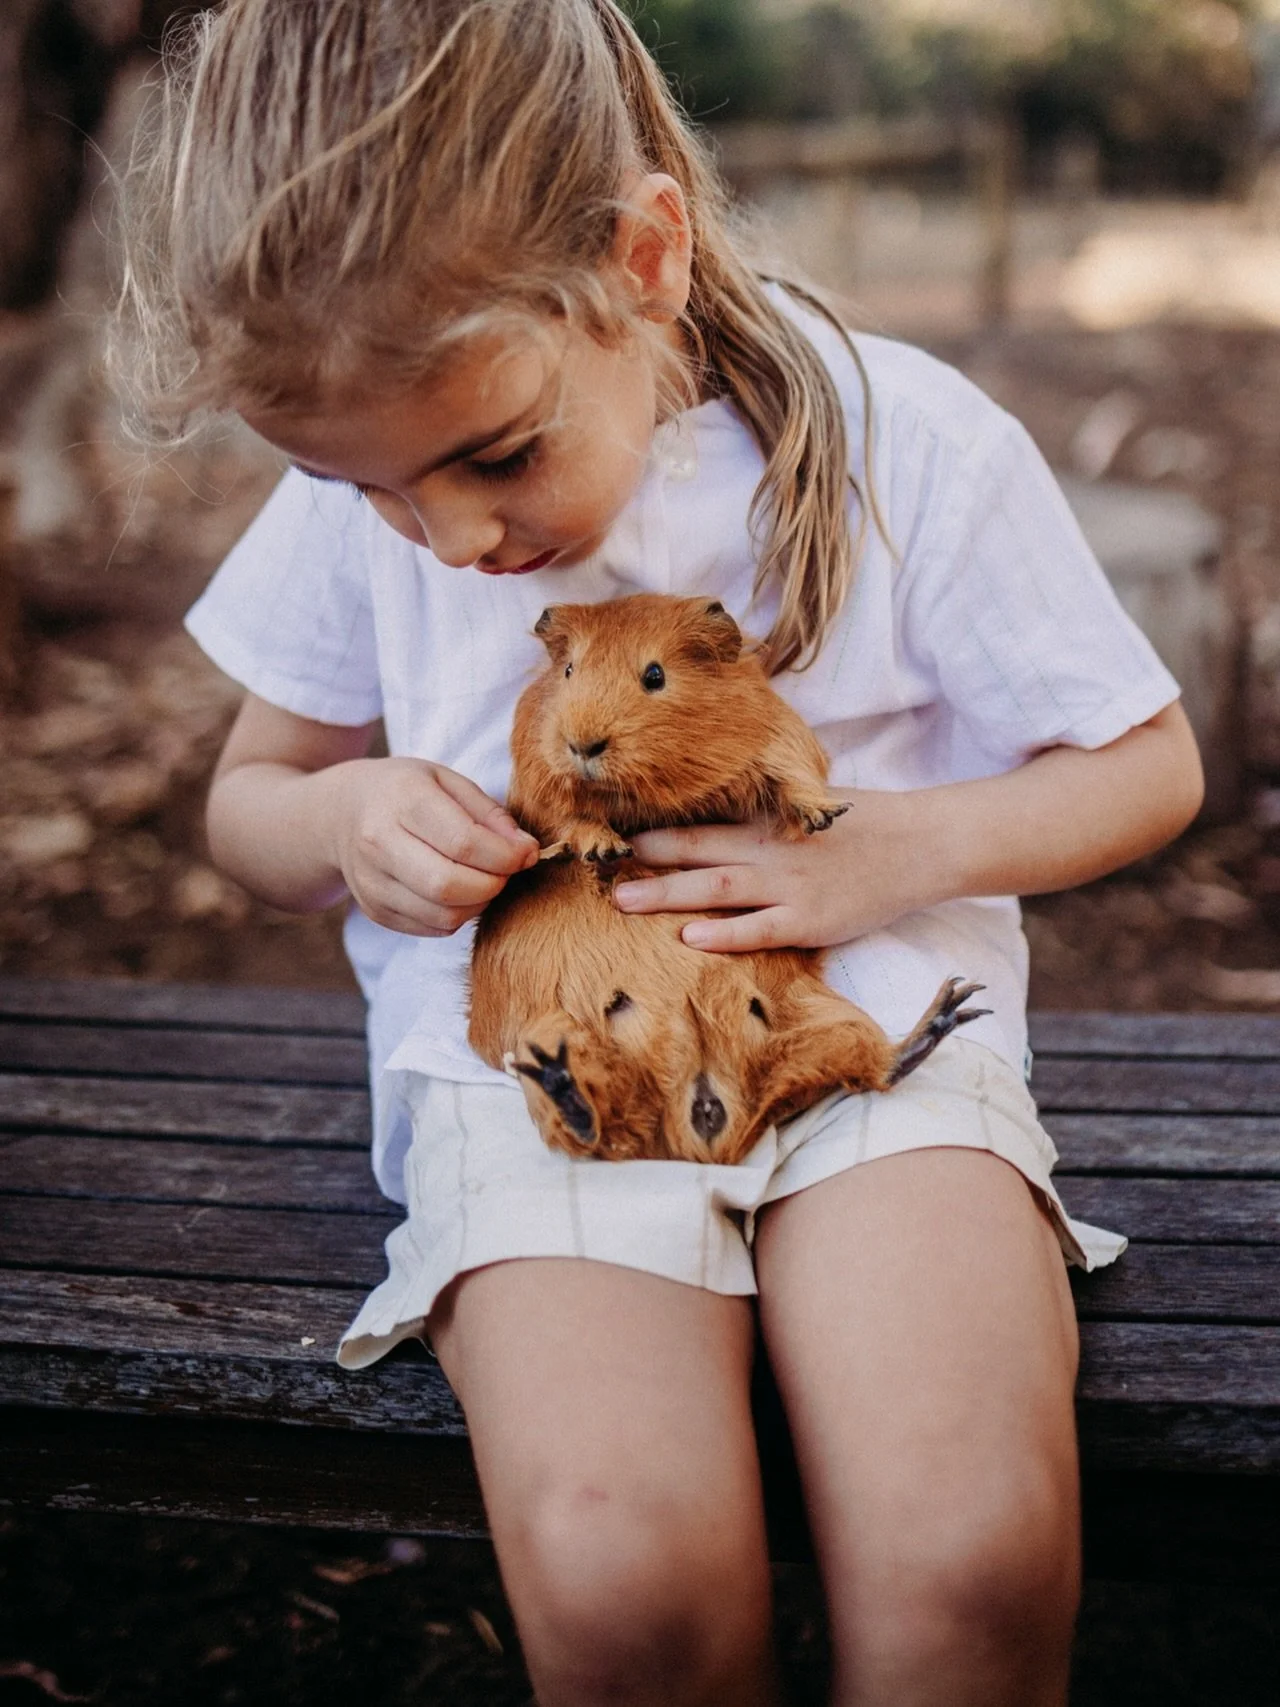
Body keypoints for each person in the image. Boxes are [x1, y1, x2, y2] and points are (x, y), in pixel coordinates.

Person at [112, 3, 1204, 1702]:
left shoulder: (911, 441)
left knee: (967, 1546)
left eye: (496, 457)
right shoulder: (372, 482)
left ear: (642, 259)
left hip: (876, 1055)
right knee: (626, 1584)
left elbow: (1147, 763)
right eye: (376, 492)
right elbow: (251, 800)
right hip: (544, 1087)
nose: (448, 538)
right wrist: (342, 817)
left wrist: (891, 855)